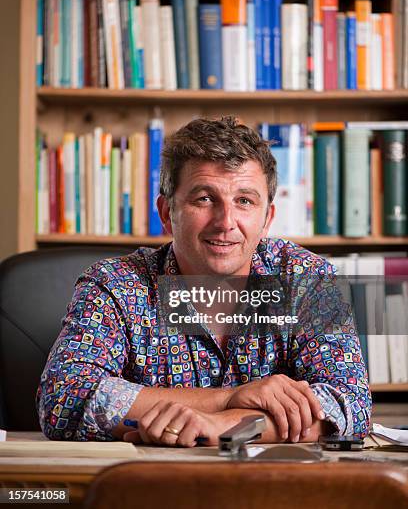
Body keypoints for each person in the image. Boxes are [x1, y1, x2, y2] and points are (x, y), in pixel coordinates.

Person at [37, 116, 371, 446]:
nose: (226, 222)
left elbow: (347, 403)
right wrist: (230, 398)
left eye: (244, 201)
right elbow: (65, 397)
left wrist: (224, 426)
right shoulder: (114, 285)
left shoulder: (306, 279)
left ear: (267, 217)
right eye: (205, 199)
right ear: (167, 212)